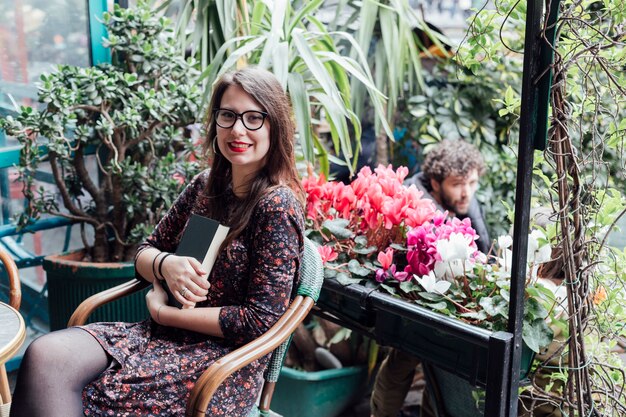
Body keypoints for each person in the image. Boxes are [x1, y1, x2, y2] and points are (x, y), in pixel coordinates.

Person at [10, 67, 306, 417]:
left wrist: (164, 312)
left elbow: (258, 321)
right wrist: (166, 265)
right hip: (158, 338)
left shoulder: (276, 206)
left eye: (254, 118)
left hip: (220, 364)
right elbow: (144, 251)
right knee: (44, 355)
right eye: (228, 115)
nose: (238, 129)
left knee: (80, 391)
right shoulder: (206, 186)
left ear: (276, 126)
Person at [370, 139, 490, 417]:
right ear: (435, 183)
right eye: (458, 184)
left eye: (472, 183)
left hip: (446, 301)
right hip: (413, 298)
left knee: (438, 369)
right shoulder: (415, 205)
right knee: (403, 361)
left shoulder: (465, 204)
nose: (466, 193)